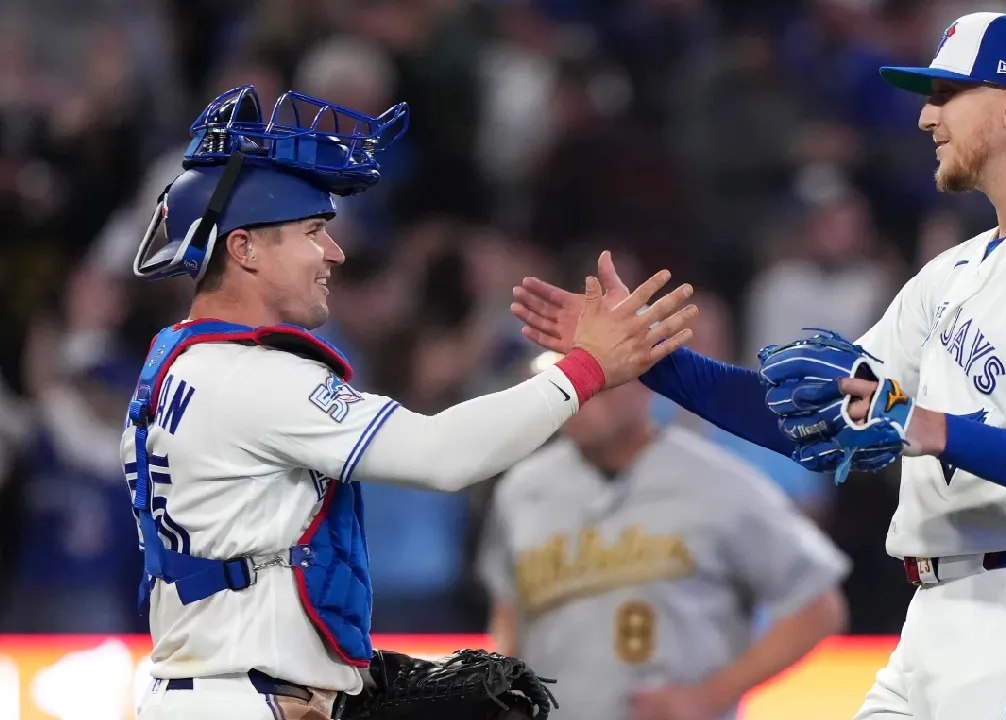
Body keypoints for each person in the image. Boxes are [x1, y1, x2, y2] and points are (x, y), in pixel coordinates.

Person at [511, 12, 1006, 719]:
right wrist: (643, 364)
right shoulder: (954, 273)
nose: (925, 117)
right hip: (941, 617)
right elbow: (809, 416)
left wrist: (921, 424)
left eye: (947, 94)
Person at [123, 84, 698, 720]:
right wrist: (585, 370)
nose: (333, 252)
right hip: (239, 699)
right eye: (314, 230)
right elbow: (442, 455)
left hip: (217, 692)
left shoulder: (176, 364)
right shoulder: (248, 378)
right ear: (245, 247)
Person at [478, 350, 849, 720]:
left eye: (595, 382)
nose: (579, 399)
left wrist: (709, 696)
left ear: (646, 384)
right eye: (563, 384)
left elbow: (818, 606)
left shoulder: (717, 483)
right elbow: (509, 608)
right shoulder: (521, 489)